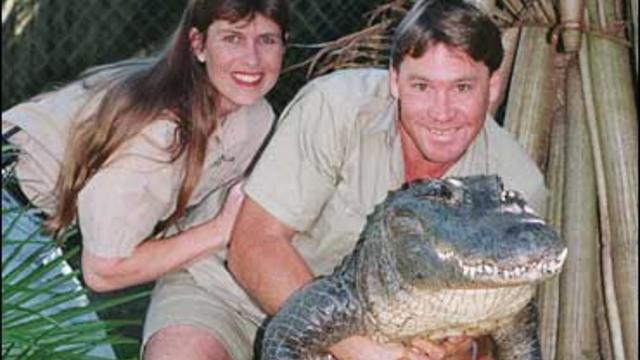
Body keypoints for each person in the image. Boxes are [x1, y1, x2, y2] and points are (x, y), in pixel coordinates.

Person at [225, 0, 548, 359]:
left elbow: (504, 325)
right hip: (235, 295)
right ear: (395, 80)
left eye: (462, 87)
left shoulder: (516, 184)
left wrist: (465, 348)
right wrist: (360, 350)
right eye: (422, 86)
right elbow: (253, 246)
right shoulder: (334, 107)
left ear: (493, 85)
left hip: (394, 327)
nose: (441, 113)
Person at [1, 0, 288, 359]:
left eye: (266, 40)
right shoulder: (161, 128)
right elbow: (104, 270)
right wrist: (220, 229)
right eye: (232, 38)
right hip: (10, 207)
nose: (252, 59)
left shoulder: (253, 117)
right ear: (197, 45)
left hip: (29, 223)